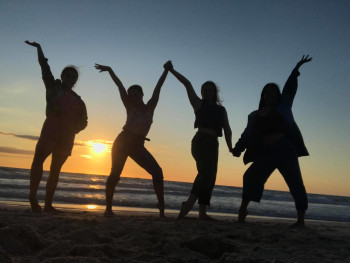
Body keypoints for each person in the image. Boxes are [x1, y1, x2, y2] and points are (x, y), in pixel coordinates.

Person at [231, 55, 312, 227]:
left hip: (285, 150)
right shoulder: (254, 115)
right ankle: (243, 209)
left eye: (272, 92)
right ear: (262, 96)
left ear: (277, 95)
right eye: (266, 93)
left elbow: (290, 89)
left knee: (295, 182)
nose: (269, 95)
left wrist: (296, 69)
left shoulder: (283, 107)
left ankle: (300, 221)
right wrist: (238, 148)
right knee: (250, 176)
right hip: (266, 153)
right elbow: (247, 134)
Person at [94, 61, 172, 218]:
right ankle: (108, 209)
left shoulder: (150, 106)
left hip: (138, 146)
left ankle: (161, 211)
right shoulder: (129, 107)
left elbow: (158, 88)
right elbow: (119, 86)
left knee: (157, 172)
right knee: (115, 174)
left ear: (142, 95)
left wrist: (166, 71)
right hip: (122, 142)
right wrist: (110, 70)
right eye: (130, 95)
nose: (132, 97)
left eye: (136, 94)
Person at [25, 41, 88, 213]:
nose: (70, 78)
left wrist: (73, 129)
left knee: (55, 171)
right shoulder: (53, 86)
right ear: (62, 76)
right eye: (67, 75)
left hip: (66, 138)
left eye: (73, 77)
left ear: (76, 80)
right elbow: (44, 67)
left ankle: (48, 204)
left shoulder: (79, 101)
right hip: (50, 132)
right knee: (38, 162)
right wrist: (39, 49)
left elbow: (84, 122)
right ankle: (32, 198)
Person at [168, 62, 233, 220]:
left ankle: (202, 212)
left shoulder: (221, 110)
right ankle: (189, 203)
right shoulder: (198, 103)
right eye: (204, 90)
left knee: (210, 176)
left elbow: (227, 129)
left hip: (214, 143)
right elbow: (187, 83)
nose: (207, 92)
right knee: (206, 173)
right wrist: (172, 70)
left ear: (214, 92)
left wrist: (231, 147)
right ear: (202, 92)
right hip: (200, 141)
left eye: (210, 90)